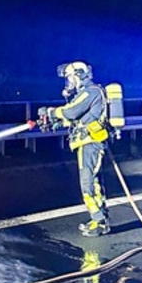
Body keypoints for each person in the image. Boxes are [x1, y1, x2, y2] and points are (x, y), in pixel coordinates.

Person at [38, 61, 112, 237]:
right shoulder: (85, 93)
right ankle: (98, 218)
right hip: (86, 142)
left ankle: (100, 222)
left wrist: (49, 112)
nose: (68, 82)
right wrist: (56, 122)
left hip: (91, 143)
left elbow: (71, 112)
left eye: (70, 77)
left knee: (89, 182)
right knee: (92, 182)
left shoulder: (91, 91)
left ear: (79, 75)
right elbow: (77, 117)